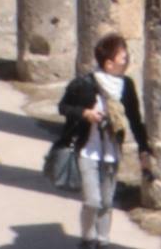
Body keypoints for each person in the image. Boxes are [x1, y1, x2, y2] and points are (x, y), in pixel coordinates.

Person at [57, 28, 150, 243]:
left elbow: (135, 119)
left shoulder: (126, 86)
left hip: (111, 151)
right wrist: (85, 113)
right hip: (87, 150)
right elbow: (63, 107)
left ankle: (103, 240)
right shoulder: (85, 84)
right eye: (123, 58)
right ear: (109, 63)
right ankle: (87, 238)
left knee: (107, 201)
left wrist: (143, 149)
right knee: (92, 201)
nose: (127, 61)